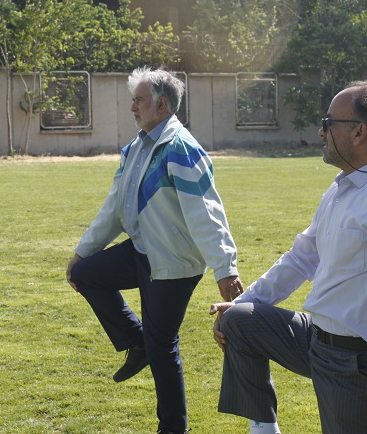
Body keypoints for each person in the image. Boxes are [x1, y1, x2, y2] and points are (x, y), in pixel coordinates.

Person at [210, 81, 367, 433]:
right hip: (318, 340)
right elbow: (301, 258)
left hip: (361, 361)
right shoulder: (344, 185)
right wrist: (240, 303)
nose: (321, 131)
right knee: (239, 319)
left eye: (328, 122)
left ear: (359, 131)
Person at [66, 67, 243, 433]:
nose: (133, 106)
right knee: (86, 275)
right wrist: (84, 251)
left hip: (174, 263)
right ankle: (138, 342)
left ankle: (172, 428)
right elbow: (114, 207)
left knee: (163, 346)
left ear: (162, 105)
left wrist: (225, 268)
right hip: (142, 252)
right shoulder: (136, 147)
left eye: (139, 100)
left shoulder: (181, 148)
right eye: (133, 99)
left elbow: (207, 212)